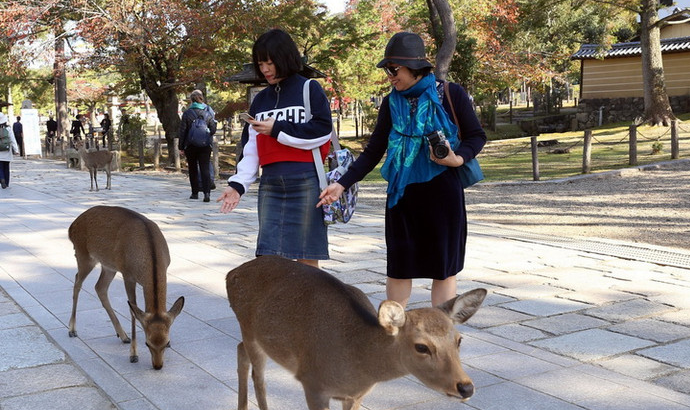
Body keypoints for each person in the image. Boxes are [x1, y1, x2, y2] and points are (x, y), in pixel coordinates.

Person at [318, 31, 486, 307]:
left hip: (443, 193)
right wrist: (342, 183)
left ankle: (440, 332)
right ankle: (393, 336)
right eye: (387, 70)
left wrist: (458, 158)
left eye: (394, 69)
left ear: (415, 67)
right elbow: (374, 150)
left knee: (443, 269)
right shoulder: (391, 102)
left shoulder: (449, 94)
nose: (390, 76)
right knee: (399, 265)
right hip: (402, 195)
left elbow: (476, 136)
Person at [219, 28, 333, 267]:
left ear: (285, 58)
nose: (265, 69)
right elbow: (251, 147)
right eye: (261, 63)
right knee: (269, 257)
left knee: (306, 258)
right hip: (270, 183)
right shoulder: (261, 100)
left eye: (270, 62)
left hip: (306, 180)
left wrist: (278, 130)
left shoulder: (309, 89)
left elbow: (322, 132)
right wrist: (238, 185)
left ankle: (308, 304)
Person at [179, 89, 216, 202]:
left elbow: (183, 131)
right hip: (205, 145)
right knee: (204, 168)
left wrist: (181, 147)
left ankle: (194, 193)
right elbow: (213, 129)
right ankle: (207, 193)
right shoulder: (207, 113)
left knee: (193, 169)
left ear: (191, 100)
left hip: (190, 145)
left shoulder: (187, 113)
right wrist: (206, 135)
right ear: (201, 99)